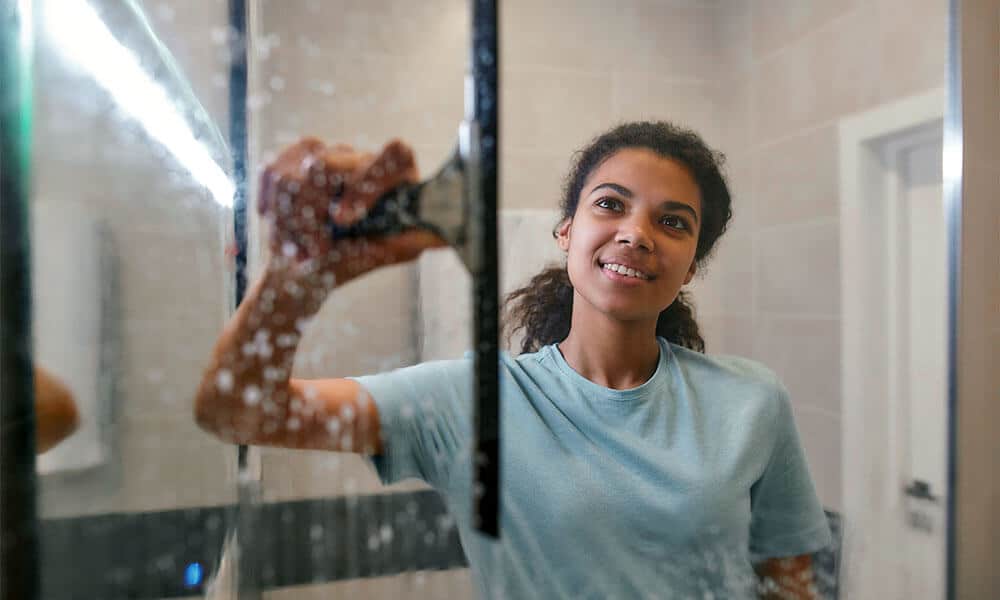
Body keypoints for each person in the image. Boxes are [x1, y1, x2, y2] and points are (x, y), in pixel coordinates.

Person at [194, 121, 832, 599]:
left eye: (673, 222)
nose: (636, 233)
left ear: (692, 263)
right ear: (566, 231)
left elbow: (788, 582)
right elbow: (236, 413)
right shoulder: (476, 402)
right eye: (610, 204)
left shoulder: (752, 401)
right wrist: (297, 279)